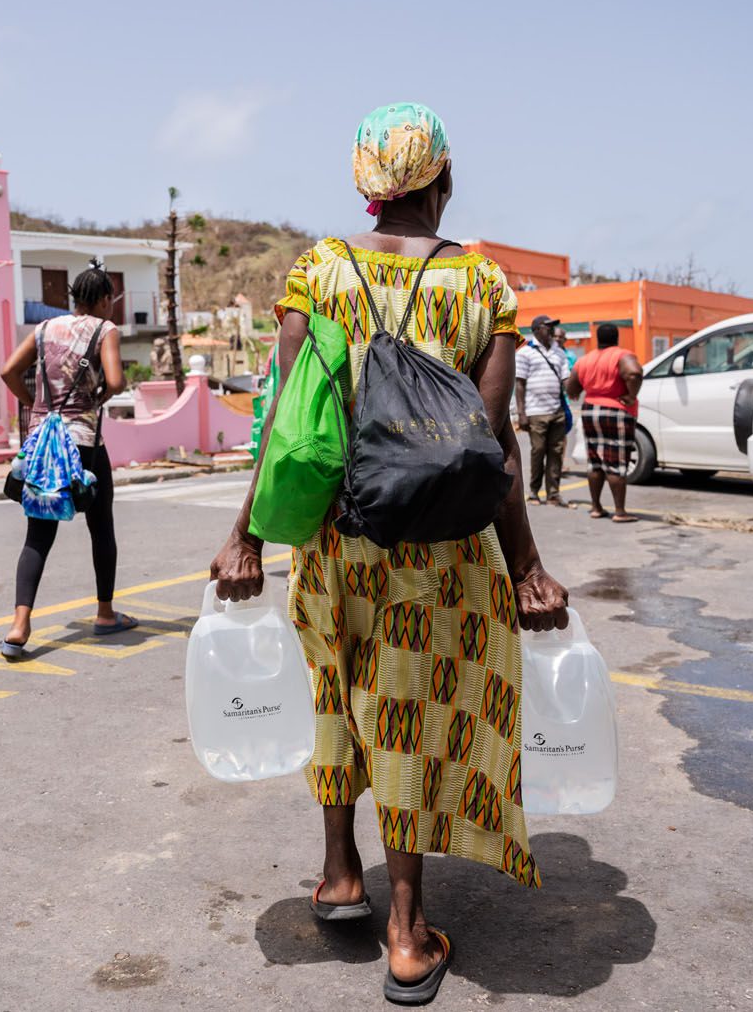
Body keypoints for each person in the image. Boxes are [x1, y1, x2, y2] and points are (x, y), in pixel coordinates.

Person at [209, 102, 568, 1006]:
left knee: (337, 691)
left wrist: (245, 531)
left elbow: (286, 419)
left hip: (337, 542)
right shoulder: (482, 284)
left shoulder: (319, 272)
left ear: (366, 184)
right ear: (442, 180)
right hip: (437, 551)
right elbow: (495, 449)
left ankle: (339, 876)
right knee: (405, 718)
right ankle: (406, 935)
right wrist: (524, 566)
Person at [0, 266, 139, 656]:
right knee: (101, 526)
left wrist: (36, 407)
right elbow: (114, 381)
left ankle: (19, 625)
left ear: (74, 297)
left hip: (44, 442)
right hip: (83, 442)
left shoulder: (44, 329)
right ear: (105, 299)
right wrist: (91, 404)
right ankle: (105, 614)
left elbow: (9, 370)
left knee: (37, 535)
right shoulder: (105, 329)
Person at [566, 322, 643, 522]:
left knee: (595, 461)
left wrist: (576, 392)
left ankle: (596, 507)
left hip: (590, 410)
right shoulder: (620, 355)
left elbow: (571, 385)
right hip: (616, 410)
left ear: (598, 338)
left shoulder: (585, 359)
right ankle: (619, 511)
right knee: (616, 461)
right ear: (616, 338)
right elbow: (634, 373)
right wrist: (632, 396)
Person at [514, 314, 574, 507]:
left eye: (552, 327)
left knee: (556, 453)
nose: (551, 330)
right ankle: (533, 492)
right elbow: (520, 384)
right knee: (538, 452)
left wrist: (577, 385)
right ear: (537, 329)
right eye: (547, 326)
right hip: (535, 412)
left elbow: (565, 379)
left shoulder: (560, 353)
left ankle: (553, 494)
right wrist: (521, 414)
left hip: (557, 410)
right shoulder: (525, 353)